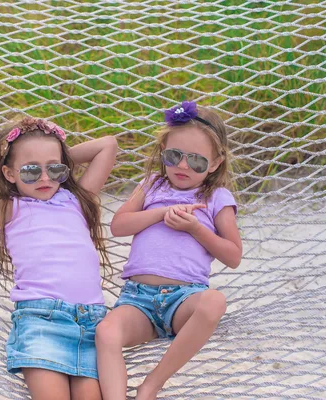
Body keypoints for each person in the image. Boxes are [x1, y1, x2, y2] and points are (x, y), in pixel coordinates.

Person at [0, 116, 118, 399]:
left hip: (90, 323)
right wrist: (5, 163)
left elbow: (108, 145)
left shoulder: (77, 201)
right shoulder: (8, 209)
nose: (45, 179)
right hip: (42, 321)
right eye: (31, 172)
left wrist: (50, 158)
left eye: (55, 169)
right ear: (10, 174)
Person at [95, 101, 242, 400]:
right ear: (163, 150)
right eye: (174, 156)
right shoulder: (151, 185)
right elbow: (119, 225)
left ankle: (152, 384)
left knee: (213, 302)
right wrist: (161, 213)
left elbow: (233, 256)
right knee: (106, 332)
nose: (183, 166)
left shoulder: (216, 197)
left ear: (214, 163)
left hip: (184, 300)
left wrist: (195, 228)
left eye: (197, 161)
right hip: (138, 300)